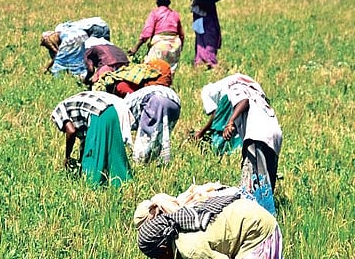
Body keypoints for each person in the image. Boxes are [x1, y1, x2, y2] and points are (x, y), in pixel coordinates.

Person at [205, 73, 282, 215]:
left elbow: (243, 101)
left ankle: (258, 216)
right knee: (266, 180)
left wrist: (230, 121)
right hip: (274, 137)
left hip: (257, 135)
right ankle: (267, 214)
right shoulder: (257, 95)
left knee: (254, 179)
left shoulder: (236, 87)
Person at [134, 186, 283, 259]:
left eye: (156, 257)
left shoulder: (191, 249)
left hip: (258, 231)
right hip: (248, 220)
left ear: (163, 248)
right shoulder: (179, 225)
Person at [51, 91, 134, 187]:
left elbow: (71, 131)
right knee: (114, 153)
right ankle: (123, 184)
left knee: (94, 160)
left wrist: (67, 156)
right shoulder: (71, 104)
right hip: (112, 112)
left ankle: (93, 186)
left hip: (97, 114)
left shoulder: (58, 112)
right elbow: (85, 142)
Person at [193, 74, 255, 155]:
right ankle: (238, 151)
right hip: (248, 86)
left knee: (219, 128)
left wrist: (202, 132)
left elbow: (215, 114)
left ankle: (219, 152)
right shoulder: (218, 86)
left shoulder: (205, 92)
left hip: (232, 91)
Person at [128, 0, 185, 74]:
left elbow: (146, 33)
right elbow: (182, 35)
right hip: (175, 44)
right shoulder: (175, 14)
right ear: (169, 2)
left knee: (151, 70)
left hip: (160, 44)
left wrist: (135, 48)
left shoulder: (155, 13)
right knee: (169, 72)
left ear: (157, 2)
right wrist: (180, 48)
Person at [124, 82, 181, 164]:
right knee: (160, 139)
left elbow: (123, 138)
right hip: (175, 102)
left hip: (156, 100)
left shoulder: (122, 110)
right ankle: (160, 164)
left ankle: (141, 165)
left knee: (144, 142)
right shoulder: (130, 100)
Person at [191, 0, 221, 69]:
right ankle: (208, 62)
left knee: (203, 44)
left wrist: (194, 8)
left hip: (205, 25)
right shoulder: (209, 0)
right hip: (208, 26)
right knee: (206, 44)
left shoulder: (198, 1)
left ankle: (205, 61)